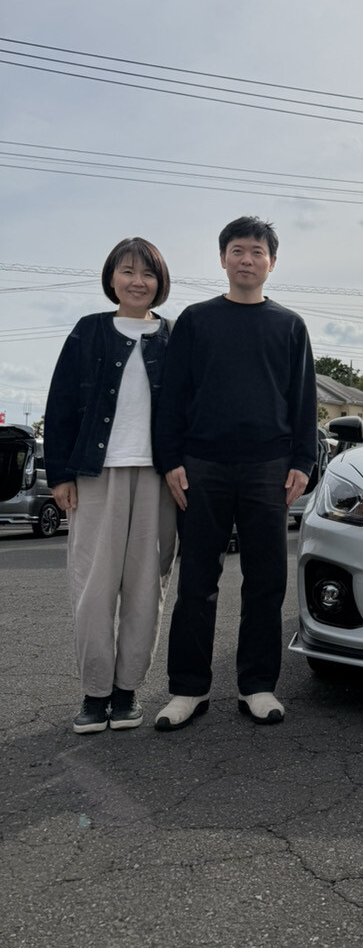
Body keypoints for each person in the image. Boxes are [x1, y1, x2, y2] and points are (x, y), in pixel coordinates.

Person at [154, 216, 318, 731]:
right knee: (197, 580)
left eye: (257, 251)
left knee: (265, 579)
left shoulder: (289, 325)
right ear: (222, 258)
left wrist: (303, 462)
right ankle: (188, 688)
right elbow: (172, 396)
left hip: (269, 467)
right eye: (238, 250)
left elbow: (304, 400)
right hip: (201, 464)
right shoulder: (195, 321)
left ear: (272, 262)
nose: (247, 259)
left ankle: (257, 685)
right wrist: (170, 460)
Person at [44, 238, 176, 734]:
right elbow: (59, 404)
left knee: (146, 589)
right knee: (94, 588)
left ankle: (126, 692)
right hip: (95, 474)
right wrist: (59, 474)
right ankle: (95, 693)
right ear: (112, 278)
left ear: (160, 282)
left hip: (158, 477)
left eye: (148, 273)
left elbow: (189, 407)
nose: (137, 281)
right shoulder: (89, 331)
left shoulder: (174, 336)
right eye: (127, 271)